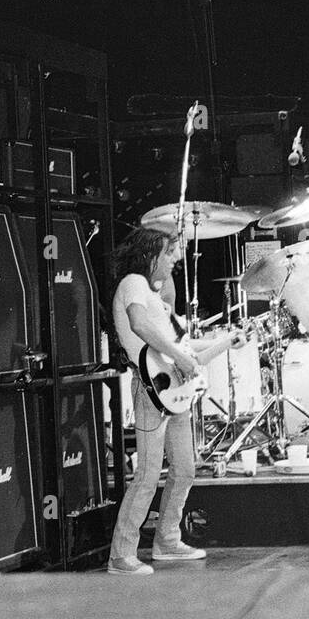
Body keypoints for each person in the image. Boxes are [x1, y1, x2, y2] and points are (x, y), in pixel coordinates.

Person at [107, 228, 207, 575]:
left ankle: (166, 541)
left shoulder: (155, 295)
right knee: (148, 474)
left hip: (172, 389)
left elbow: (181, 348)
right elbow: (138, 325)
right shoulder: (133, 282)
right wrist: (179, 359)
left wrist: (228, 341)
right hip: (152, 389)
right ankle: (121, 555)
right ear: (151, 256)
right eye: (169, 253)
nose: (174, 260)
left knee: (185, 468)